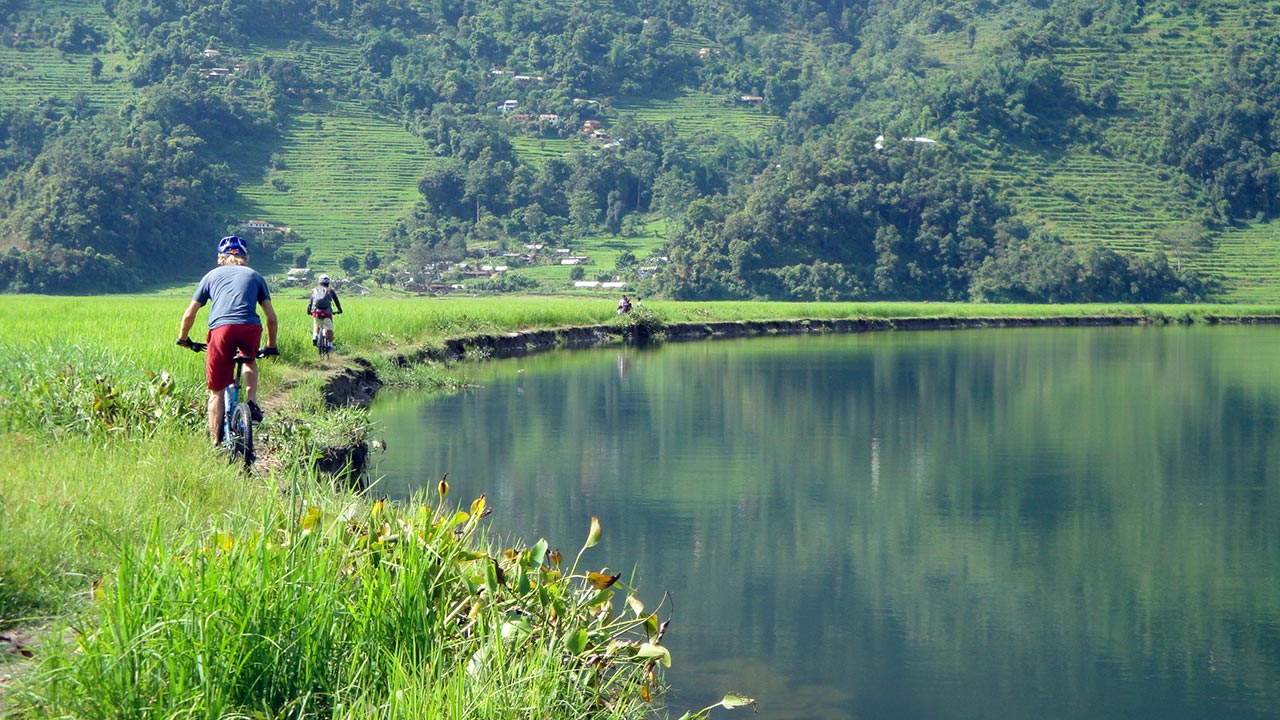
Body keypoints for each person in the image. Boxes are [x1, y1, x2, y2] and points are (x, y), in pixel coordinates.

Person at [176, 235, 279, 444]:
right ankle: (251, 402)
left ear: (220, 257)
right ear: (245, 256)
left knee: (216, 392)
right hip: (250, 326)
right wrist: (271, 346)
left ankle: (215, 442)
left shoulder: (210, 276)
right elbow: (271, 317)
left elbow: (189, 314)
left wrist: (183, 338)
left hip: (221, 329)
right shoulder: (255, 276)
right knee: (249, 360)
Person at [307, 274, 343, 346]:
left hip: (316, 312)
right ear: (328, 282)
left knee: (316, 324)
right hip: (327, 313)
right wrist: (339, 310)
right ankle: (330, 344)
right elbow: (336, 301)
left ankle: (315, 336)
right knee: (328, 327)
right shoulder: (330, 290)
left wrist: (309, 310)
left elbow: (310, 302)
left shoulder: (314, 290)